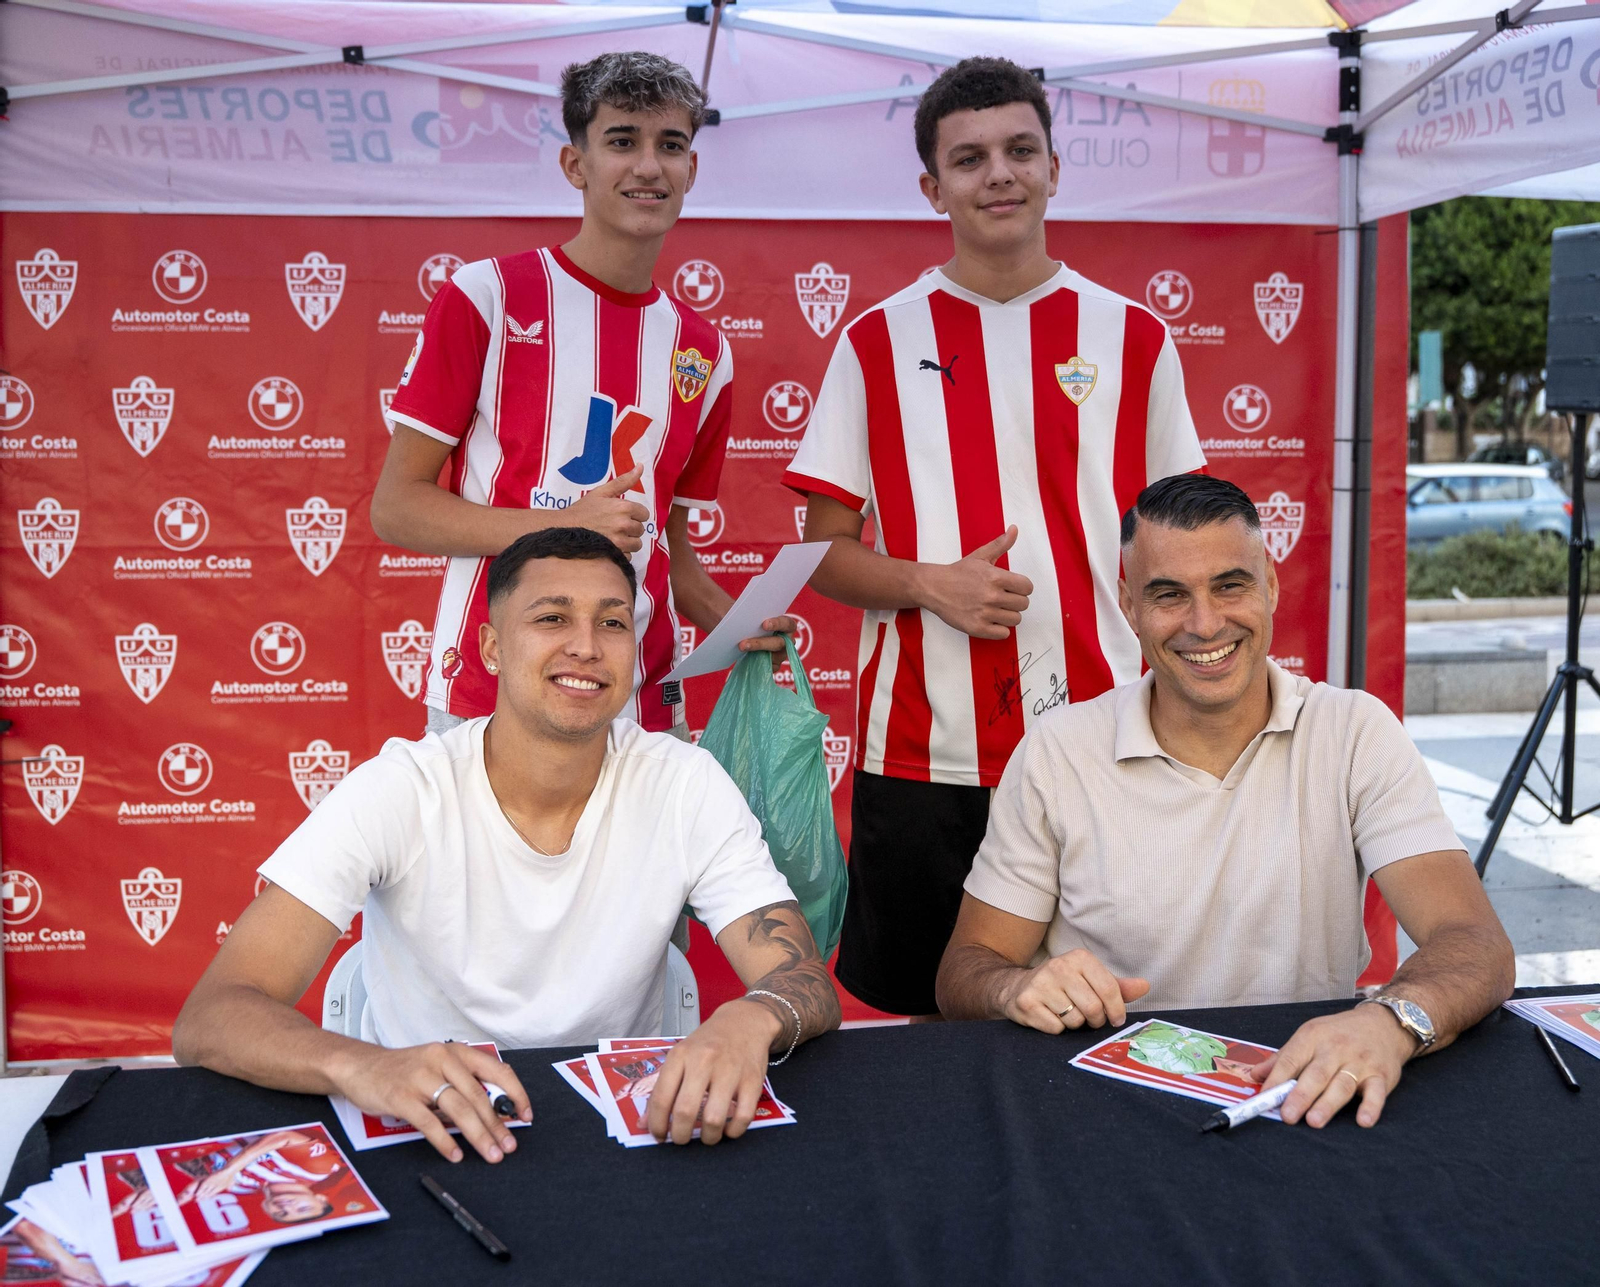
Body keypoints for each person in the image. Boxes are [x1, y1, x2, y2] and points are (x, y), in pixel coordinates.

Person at [173, 529, 840, 1160]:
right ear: (492, 648)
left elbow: (803, 977)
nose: (586, 645)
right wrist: (364, 1064)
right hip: (430, 1127)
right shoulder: (402, 788)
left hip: (629, 1131)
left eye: (612, 621)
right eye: (552, 617)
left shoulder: (685, 782)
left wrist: (751, 1019)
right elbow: (212, 1014)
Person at [783, 56, 1204, 1017]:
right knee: (926, 1021)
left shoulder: (1133, 336)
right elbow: (824, 552)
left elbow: (1189, 537)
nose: (999, 174)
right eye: (969, 159)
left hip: (1112, 737)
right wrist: (931, 584)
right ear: (933, 188)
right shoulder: (874, 341)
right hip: (928, 752)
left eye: (1020, 150)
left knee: (1108, 1009)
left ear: (1057, 166)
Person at [936, 474, 1515, 1129]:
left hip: (1299, 1101)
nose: (1205, 622)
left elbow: (1477, 944)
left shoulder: (1355, 731)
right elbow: (964, 973)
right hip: (1097, 1114)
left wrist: (1392, 1020)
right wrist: (1015, 987)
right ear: (1128, 605)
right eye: (1169, 595)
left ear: (1270, 582)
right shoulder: (1058, 751)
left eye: (1229, 585)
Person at [370, 51, 789, 741]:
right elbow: (398, 508)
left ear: (692, 170)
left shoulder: (704, 350)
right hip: (494, 696)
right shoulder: (487, 297)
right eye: (622, 141)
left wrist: (737, 619)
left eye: (671, 145)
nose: (649, 166)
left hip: (646, 709)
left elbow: (669, 553)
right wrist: (565, 527)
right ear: (576, 165)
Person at [172, 1130, 339, 1225]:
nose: (286, 1207)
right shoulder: (319, 1170)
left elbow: (193, 1162)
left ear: (267, 1210)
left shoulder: (242, 1189)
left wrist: (196, 1180)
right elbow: (284, 1136)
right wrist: (228, 1171)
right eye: (303, 1208)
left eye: (281, 1213)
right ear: (321, 1198)